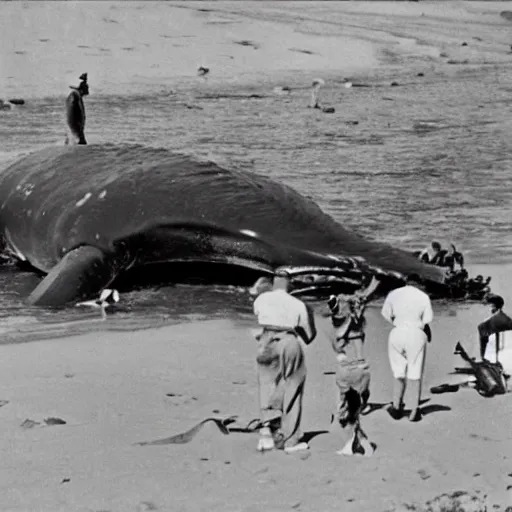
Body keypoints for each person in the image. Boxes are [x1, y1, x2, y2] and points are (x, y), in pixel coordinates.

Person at [252, 268, 317, 453]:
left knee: (266, 384)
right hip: (288, 340)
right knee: (293, 385)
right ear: (289, 283)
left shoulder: (261, 299)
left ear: (273, 282)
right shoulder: (297, 303)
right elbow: (309, 335)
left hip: (266, 340)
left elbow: (259, 316)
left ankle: (265, 435)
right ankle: (291, 440)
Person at [326, 276, 380, 456]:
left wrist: (346, 315)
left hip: (348, 370)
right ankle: (360, 445)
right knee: (354, 412)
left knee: (343, 414)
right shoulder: (359, 326)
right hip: (364, 370)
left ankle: (356, 444)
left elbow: (339, 336)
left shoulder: (342, 326)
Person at [381, 274, 433, 422]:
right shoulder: (423, 296)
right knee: (415, 372)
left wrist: (398, 322)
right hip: (416, 333)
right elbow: (427, 320)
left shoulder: (394, 294)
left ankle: (397, 407)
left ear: (406, 282)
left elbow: (386, 315)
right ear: (417, 283)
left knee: (398, 372)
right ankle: (414, 410)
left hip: (397, 332)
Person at [477, 294, 512, 376]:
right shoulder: (506, 319)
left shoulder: (488, 323)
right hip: (502, 360)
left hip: (495, 361)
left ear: (493, 306)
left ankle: (487, 362)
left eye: (488, 306)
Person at [65, 72, 89, 145]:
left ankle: (72, 140)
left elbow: (80, 89)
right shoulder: (79, 94)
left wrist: (73, 87)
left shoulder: (81, 88)